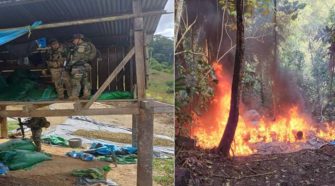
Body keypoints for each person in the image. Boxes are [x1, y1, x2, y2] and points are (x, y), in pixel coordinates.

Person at [67, 34, 96, 100]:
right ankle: (86, 95)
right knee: (85, 81)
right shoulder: (86, 45)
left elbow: (77, 57)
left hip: (79, 67)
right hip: (84, 67)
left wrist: (69, 65)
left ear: (79, 39)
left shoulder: (82, 46)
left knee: (76, 81)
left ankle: (74, 96)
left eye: (74, 40)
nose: (73, 42)